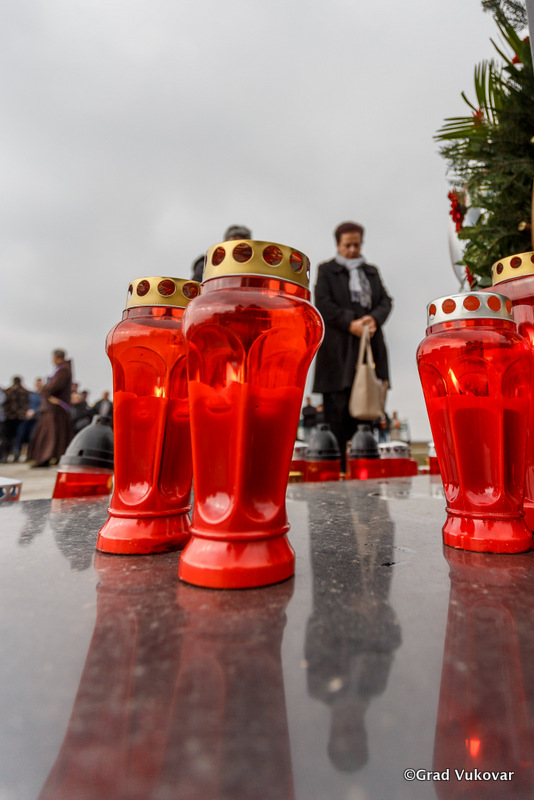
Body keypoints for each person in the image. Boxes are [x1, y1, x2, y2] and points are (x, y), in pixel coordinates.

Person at [312, 222, 392, 471]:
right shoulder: (326, 270)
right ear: (338, 244)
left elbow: (385, 301)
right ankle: (338, 473)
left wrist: (373, 319)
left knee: (366, 418)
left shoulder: (371, 272)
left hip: (369, 350)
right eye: (347, 245)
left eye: (357, 244)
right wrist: (351, 323)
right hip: (338, 355)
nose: (353, 249)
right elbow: (323, 303)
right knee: (337, 417)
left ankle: (365, 473)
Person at [28, 349, 74, 467]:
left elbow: (55, 387)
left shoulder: (63, 370)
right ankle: (53, 456)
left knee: (49, 434)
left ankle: (45, 457)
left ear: (56, 358)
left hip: (55, 408)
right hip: (56, 408)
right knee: (58, 434)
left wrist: (44, 389)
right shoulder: (63, 369)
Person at [1, 377, 30, 462]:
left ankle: (5, 456)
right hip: (20, 417)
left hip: (9, 417)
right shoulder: (25, 391)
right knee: (18, 437)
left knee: (7, 437)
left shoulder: (8, 391)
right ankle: (16, 454)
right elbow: (27, 404)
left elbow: (4, 404)